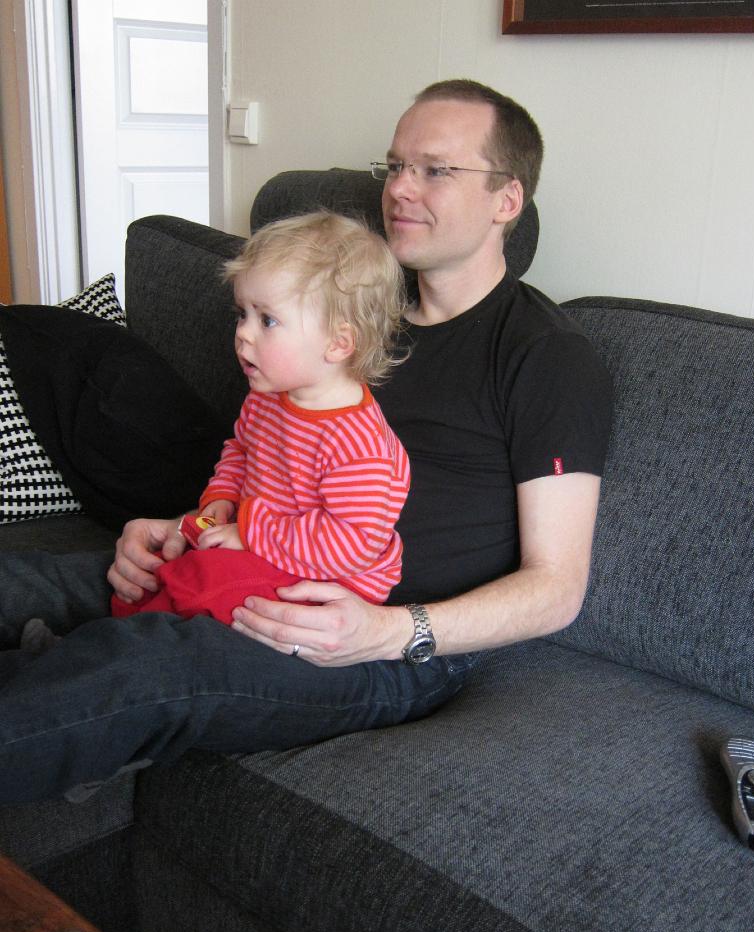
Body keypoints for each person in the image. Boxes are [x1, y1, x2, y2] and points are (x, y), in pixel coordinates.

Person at [0, 79, 612, 804]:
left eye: (435, 170)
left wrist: (391, 631)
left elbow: (556, 589)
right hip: (251, 564)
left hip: (376, 641)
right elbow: (265, 462)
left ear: (507, 199)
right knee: (37, 582)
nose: (400, 188)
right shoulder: (341, 312)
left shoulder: (545, 356)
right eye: (395, 166)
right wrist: (179, 526)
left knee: (145, 664)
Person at [110, 211, 410, 623]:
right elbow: (241, 450)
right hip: (265, 547)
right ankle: (105, 635)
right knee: (157, 569)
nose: (243, 333)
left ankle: (130, 639)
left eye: (267, 319)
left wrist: (249, 531)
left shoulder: (356, 443)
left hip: (324, 583)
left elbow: (350, 543)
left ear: (338, 343)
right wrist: (221, 497)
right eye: (242, 313)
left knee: (200, 580)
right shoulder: (268, 396)